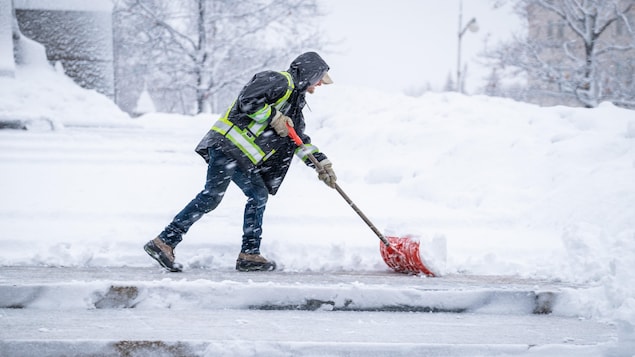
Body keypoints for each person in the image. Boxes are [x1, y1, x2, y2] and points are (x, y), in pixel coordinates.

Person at [144, 52, 336, 272]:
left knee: (257, 195)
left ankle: (249, 255)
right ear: (309, 73)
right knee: (212, 196)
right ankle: (164, 241)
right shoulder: (278, 80)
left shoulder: (294, 102)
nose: (320, 84)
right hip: (226, 146)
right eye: (319, 78)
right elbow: (248, 100)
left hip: (242, 158)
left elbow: (297, 139)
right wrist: (274, 117)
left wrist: (321, 165)